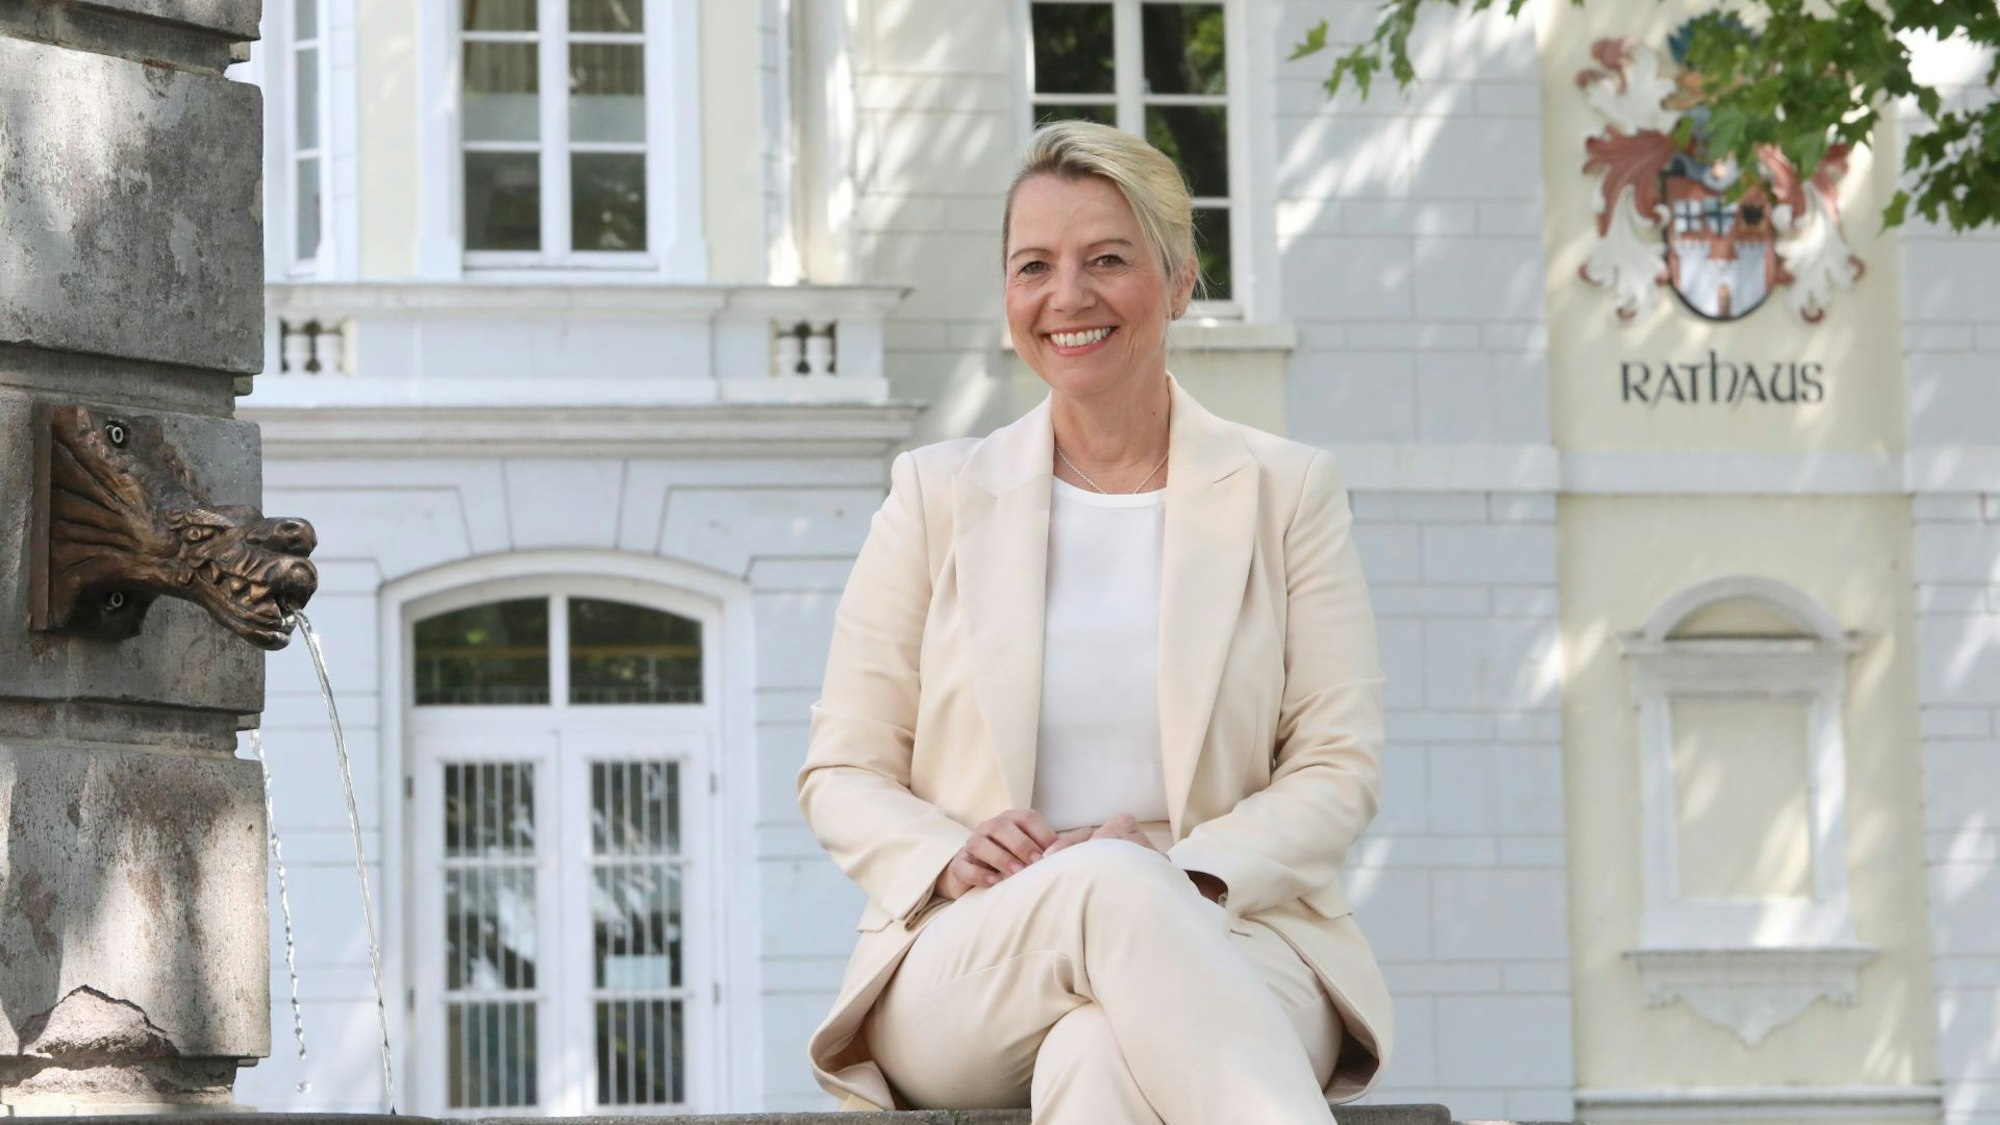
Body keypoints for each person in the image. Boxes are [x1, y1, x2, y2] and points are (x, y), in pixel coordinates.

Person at [797, 119, 1391, 1123]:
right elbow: (840, 771)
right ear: (1008, 295)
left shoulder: (1286, 494)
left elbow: (1337, 767)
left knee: (1093, 1055)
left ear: (1176, 280)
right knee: (1107, 889)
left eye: (1105, 261)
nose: (1065, 297)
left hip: (1231, 927)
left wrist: (1182, 875)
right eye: (1033, 266)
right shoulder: (933, 496)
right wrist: (946, 852)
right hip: (975, 948)